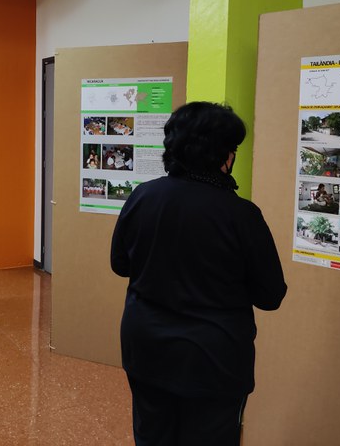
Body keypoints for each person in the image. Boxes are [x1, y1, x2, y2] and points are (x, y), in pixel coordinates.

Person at [110, 101, 287, 446]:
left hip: (146, 347)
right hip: (213, 359)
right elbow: (270, 296)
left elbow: (120, 265)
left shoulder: (143, 196)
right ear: (223, 155)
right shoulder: (241, 215)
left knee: (152, 436)